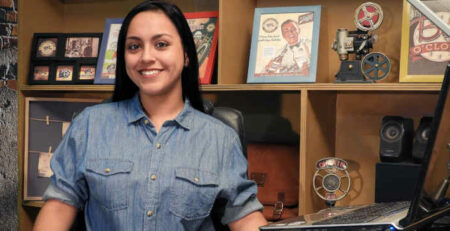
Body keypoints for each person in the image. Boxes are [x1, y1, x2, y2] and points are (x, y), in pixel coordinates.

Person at [33, 1, 267, 230]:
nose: (146, 57)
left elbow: (245, 217)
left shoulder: (220, 138)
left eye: (161, 44)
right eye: (134, 47)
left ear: (186, 55)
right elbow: (59, 206)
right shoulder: (89, 125)